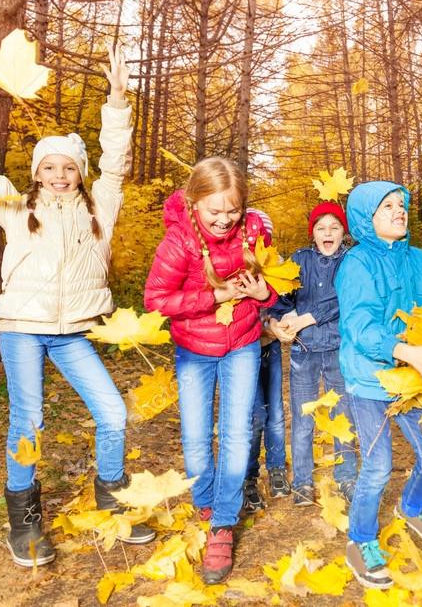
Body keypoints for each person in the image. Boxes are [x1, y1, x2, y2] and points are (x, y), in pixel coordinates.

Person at [0, 38, 153, 568]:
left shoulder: (100, 210)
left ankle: (115, 501)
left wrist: (117, 100)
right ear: (37, 172)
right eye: (49, 167)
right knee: (29, 421)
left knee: (112, 411)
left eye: (68, 168)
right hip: (22, 327)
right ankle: (25, 519)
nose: (59, 175)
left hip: (75, 331)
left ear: (79, 173)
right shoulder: (16, 208)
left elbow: (117, 161)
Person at [143, 157, 277, 584]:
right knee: (197, 435)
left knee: (237, 431)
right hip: (193, 348)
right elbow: (156, 299)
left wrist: (263, 293)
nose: (224, 220)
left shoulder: (254, 232)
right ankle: (206, 496)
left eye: (232, 211)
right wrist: (212, 297)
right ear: (194, 202)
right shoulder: (178, 241)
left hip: (242, 343)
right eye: (214, 211)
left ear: (244, 207)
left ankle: (222, 522)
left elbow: (274, 285)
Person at [336, 182, 422, 589]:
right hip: (369, 379)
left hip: (413, 376)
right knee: (377, 466)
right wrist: (407, 351)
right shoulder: (356, 263)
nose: (398, 211)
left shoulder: (421, 260)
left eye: (401, 205)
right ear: (365, 219)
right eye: (387, 206)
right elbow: (360, 327)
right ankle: (361, 540)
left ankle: (414, 506)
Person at [269, 201, 357, 507]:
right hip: (304, 352)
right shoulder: (300, 259)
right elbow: (282, 297)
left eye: (334, 227)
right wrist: (280, 321)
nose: (328, 233)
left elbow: (343, 300)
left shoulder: (352, 261)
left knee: (342, 416)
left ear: (343, 232)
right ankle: (303, 482)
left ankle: (347, 477)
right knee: (303, 418)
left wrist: (307, 318)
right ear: (313, 234)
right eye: (321, 228)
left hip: (338, 350)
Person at [242, 209, 290, 513]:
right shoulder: (234, 263)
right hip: (243, 351)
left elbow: (285, 301)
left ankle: (276, 468)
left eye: (263, 236)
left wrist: (276, 323)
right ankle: (248, 476)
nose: (257, 240)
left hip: (269, 348)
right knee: (253, 416)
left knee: (275, 412)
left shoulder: (277, 265)